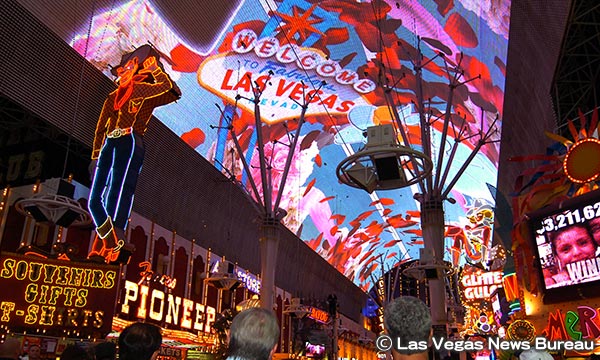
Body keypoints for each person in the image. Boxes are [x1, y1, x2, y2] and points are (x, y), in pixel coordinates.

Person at [88, 44, 180, 264]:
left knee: (118, 192)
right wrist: (95, 155)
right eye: (121, 69)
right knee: (94, 200)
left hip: (129, 141)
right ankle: (110, 239)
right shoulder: (111, 97)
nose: (124, 72)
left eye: (129, 67)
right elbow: (101, 127)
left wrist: (155, 70)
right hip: (109, 143)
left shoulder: (141, 90)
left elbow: (168, 88)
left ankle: (108, 244)